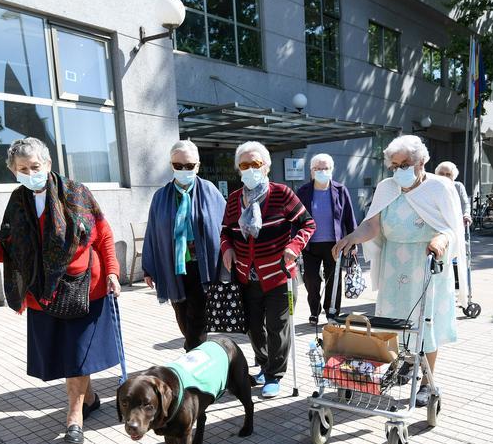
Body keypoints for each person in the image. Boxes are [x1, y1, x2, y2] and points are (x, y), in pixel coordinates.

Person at [0, 138, 122, 444]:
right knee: (69, 355)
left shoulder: (76, 193)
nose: (30, 173)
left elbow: (104, 235)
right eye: (22, 169)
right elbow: (10, 241)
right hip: (42, 291)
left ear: (49, 164)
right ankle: (89, 398)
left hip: (83, 288)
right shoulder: (18, 201)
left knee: (77, 356)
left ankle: (74, 415)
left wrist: (112, 272)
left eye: (35, 167)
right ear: (14, 171)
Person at [332, 136, 465, 407]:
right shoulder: (386, 187)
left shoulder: (440, 187)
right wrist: (351, 238)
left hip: (427, 262)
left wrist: (440, 240)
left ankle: (427, 382)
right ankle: (403, 365)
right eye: (394, 165)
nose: (399, 170)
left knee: (424, 323)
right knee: (392, 322)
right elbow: (372, 226)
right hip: (395, 264)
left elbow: (452, 228)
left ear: (422, 161)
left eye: (406, 164)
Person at [220, 141, 315, 398]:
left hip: (278, 274)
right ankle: (263, 364)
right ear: (238, 169)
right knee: (252, 326)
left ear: (267, 167)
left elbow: (308, 224)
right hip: (246, 276)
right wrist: (227, 247)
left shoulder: (281, 193)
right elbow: (226, 231)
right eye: (244, 165)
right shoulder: (233, 200)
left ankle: (275, 374)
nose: (250, 169)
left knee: (277, 326)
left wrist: (294, 247)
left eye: (255, 164)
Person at [142, 139, 226, 350]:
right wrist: (149, 267)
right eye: (178, 166)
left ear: (197, 165)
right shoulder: (161, 197)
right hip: (174, 266)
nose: (184, 170)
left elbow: (226, 225)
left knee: (197, 316)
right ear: (171, 165)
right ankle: (197, 352)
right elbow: (152, 232)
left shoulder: (209, 191)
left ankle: (193, 357)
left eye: (189, 166)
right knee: (182, 313)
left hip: (203, 265)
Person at [296, 153, 358, 326]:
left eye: (325, 168)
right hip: (310, 245)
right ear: (311, 171)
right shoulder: (303, 191)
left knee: (334, 280)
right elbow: (295, 219)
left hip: (334, 245)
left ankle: (332, 312)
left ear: (331, 170)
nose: (322, 171)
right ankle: (314, 311)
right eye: (318, 168)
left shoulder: (340, 190)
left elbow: (349, 218)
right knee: (311, 280)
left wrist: (353, 242)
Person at [434, 161, 472, 228]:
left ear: (453, 176)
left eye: (448, 174)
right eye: (441, 174)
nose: (445, 176)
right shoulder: (432, 186)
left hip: (454, 223)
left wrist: (466, 214)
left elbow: (465, 203)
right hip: (436, 222)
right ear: (437, 174)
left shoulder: (458, 186)